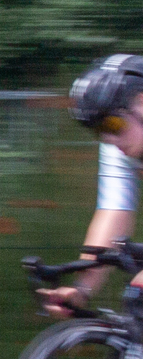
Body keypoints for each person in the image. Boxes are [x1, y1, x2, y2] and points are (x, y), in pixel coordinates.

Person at [39, 53, 143, 318]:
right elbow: (114, 211)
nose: (108, 139)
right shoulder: (122, 142)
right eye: (99, 130)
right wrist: (82, 290)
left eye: (112, 124)